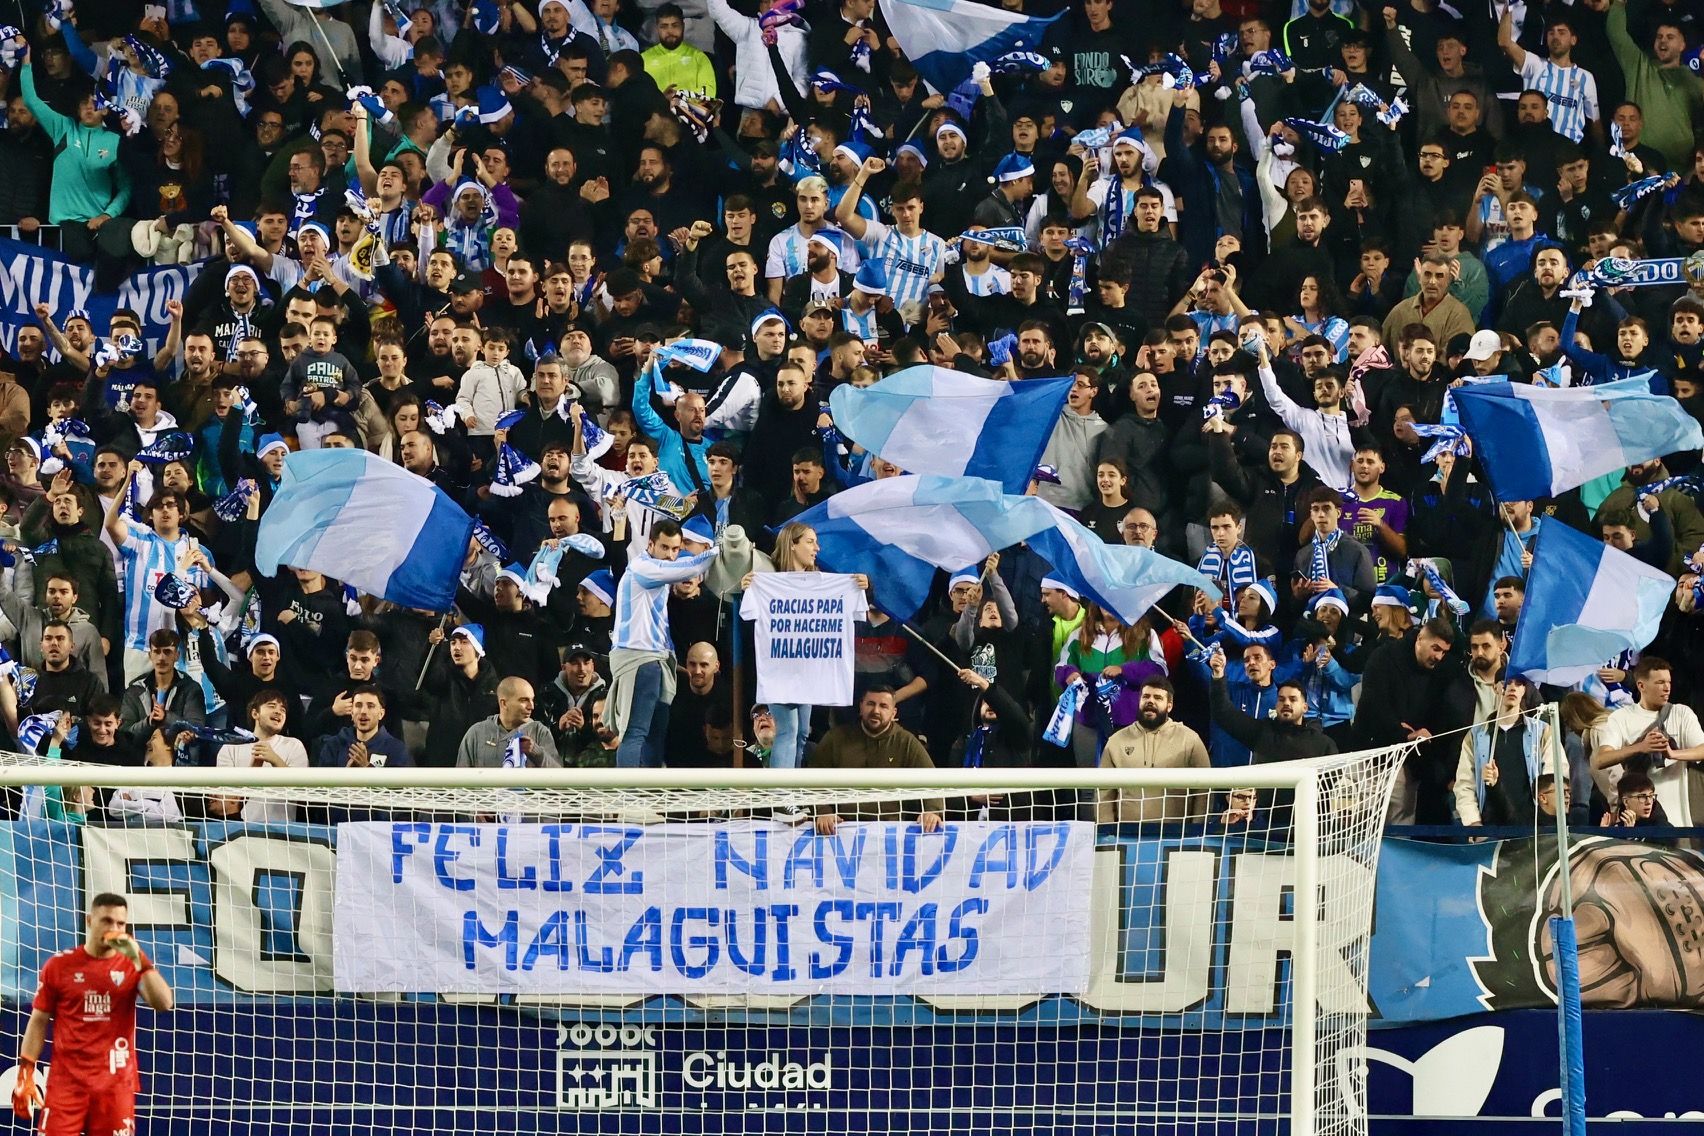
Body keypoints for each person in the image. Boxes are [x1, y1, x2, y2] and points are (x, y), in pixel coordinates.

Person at [14, 893, 174, 1136]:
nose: (114, 929)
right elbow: (38, 1021)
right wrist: (25, 1071)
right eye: (107, 921)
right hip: (66, 1085)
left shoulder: (131, 965)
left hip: (115, 1085)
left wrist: (140, 959)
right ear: (89, 921)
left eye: (120, 924)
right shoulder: (59, 966)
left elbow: (163, 1003)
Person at [603, 519, 719, 768]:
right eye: (665, 548)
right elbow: (694, 565)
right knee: (635, 733)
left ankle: (650, 797)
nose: (670, 556)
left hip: (654, 660)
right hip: (638, 658)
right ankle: (629, 802)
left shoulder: (657, 574)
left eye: (675, 549)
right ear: (651, 544)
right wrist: (721, 546)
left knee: (656, 735)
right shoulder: (644, 568)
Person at [808, 686, 943, 833]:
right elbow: (812, 780)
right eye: (870, 704)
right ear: (861, 707)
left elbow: (932, 781)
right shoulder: (836, 738)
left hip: (892, 830)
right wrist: (823, 811)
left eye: (883, 706)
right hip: (841, 829)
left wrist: (932, 812)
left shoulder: (906, 742)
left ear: (893, 713)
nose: (876, 711)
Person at [1454, 678, 1558, 827]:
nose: (1512, 688)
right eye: (1506, 682)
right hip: (1490, 828)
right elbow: (1465, 785)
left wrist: (1546, 822)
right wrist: (1474, 824)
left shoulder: (1542, 731)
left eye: (1519, 683)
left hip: (1533, 828)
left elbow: (1554, 778)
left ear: (1524, 690)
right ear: (1495, 687)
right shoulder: (1476, 735)